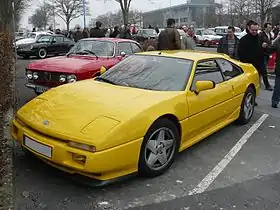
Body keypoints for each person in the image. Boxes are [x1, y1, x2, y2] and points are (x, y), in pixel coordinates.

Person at [238, 21, 272, 92]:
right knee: (250, 82)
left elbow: (268, 48)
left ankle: (266, 86)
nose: (254, 32)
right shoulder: (244, 40)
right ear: (248, 29)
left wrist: (265, 47)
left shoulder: (260, 38)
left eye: (256, 30)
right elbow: (240, 53)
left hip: (260, 61)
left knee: (261, 76)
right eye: (252, 30)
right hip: (248, 64)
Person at [260, 22, 273, 90]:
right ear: (265, 28)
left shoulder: (270, 34)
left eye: (270, 27)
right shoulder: (261, 35)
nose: (270, 29)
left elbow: (270, 43)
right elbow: (258, 44)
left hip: (267, 54)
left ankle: (258, 82)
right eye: (268, 27)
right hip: (262, 54)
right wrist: (262, 45)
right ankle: (267, 85)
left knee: (262, 70)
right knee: (264, 70)